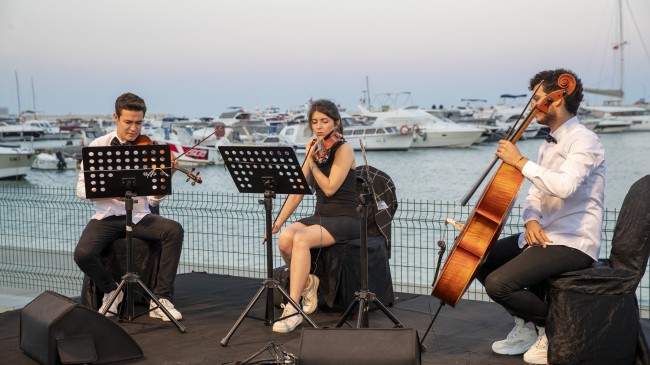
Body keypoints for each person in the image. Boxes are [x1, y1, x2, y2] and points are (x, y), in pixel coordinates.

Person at [475, 69, 605, 364]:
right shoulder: (548, 143)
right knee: (477, 259)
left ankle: (556, 330)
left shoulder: (585, 141)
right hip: (543, 233)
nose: (533, 105)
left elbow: (565, 186)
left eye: (536, 99)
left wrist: (520, 161)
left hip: (573, 241)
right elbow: (535, 193)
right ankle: (527, 326)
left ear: (556, 100)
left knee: (499, 284)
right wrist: (531, 219)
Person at [74, 92, 184, 321]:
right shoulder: (98, 146)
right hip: (107, 216)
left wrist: (167, 178)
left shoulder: (149, 149)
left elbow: (153, 200)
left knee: (174, 230)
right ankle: (111, 291)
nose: (134, 129)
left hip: (140, 216)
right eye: (129, 122)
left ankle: (162, 298)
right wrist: (109, 193)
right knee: (82, 254)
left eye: (139, 122)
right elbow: (81, 190)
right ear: (116, 117)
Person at [270, 99, 359, 333]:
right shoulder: (316, 148)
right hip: (322, 215)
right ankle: (309, 283)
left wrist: (311, 160)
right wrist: (279, 222)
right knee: (286, 238)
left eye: (324, 121)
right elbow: (298, 190)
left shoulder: (344, 149)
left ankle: (293, 307)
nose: (319, 126)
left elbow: (329, 188)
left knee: (302, 239)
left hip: (346, 218)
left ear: (336, 123)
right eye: (314, 122)